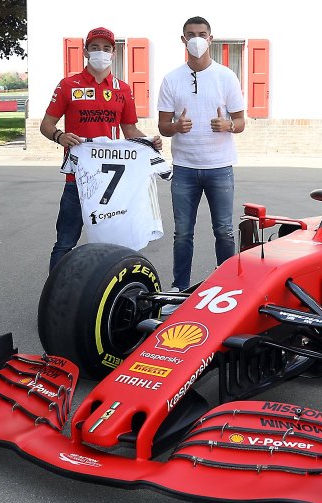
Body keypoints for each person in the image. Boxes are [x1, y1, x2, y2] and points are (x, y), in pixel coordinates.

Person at [40, 26, 161, 272]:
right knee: (65, 243)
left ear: (113, 53)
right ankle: (55, 295)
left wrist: (149, 142)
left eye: (106, 48)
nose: (100, 53)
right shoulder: (68, 85)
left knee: (113, 242)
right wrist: (59, 136)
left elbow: (130, 131)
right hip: (77, 178)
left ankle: (107, 291)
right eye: (94, 48)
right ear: (86, 52)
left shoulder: (123, 89)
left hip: (110, 183)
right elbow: (46, 125)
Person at [157, 16, 246, 302]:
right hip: (184, 167)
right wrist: (175, 127)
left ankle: (227, 286)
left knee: (224, 231)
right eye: (190, 34)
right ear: (183, 40)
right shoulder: (171, 79)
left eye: (201, 34)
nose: (196, 39)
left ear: (210, 38)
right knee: (183, 233)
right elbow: (162, 126)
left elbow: (241, 121)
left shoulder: (226, 76)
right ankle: (180, 289)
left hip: (219, 166)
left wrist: (228, 126)